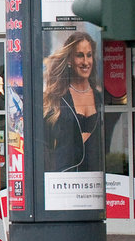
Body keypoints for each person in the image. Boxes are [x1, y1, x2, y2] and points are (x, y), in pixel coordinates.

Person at [43, 31, 101, 173]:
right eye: (80, 55)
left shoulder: (100, 98)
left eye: (89, 55)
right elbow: (45, 144)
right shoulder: (56, 98)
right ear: (69, 60)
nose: (86, 62)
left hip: (96, 179)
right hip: (64, 179)